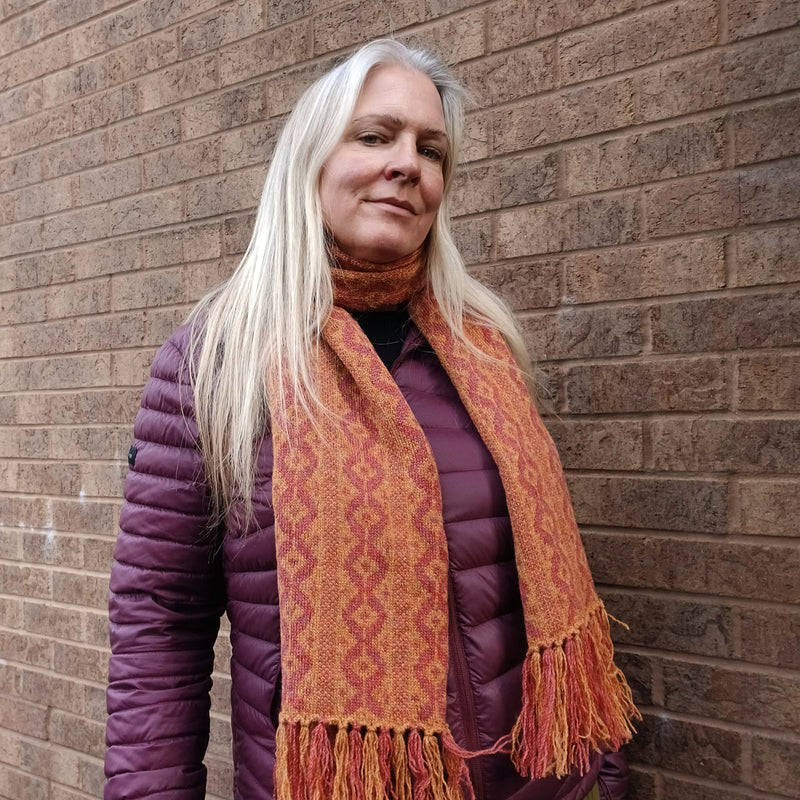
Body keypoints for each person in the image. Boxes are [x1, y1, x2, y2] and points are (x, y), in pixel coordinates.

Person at [104, 39, 638, 800]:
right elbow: (158, 626)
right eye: (374, 136)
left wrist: (602, 777)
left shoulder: (487, 352)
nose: (407, 164)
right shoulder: (215, 366)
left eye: (431, 149)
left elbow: (558, 604)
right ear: (311, 161)